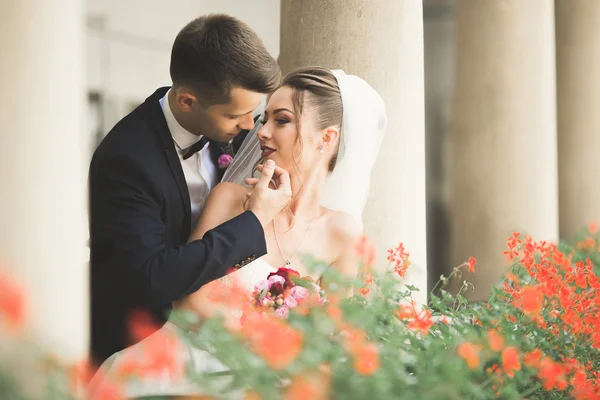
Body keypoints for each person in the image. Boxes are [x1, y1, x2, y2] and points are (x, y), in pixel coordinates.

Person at [89, 67, 387, 398]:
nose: (262, 131)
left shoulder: (343, 230)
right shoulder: (231, 198)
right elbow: (191, 302)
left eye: (282, 120)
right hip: (183, 363)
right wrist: (272, 345)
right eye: (266, 118)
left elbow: (336, 331)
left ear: (327, 138)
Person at [88, 14, 286, 366]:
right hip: (142, 346)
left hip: (221, 336)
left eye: (253, 113)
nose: (249, 127)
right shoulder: (126, 160)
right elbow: (150, 278)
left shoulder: (235, 130)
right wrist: (253, 222)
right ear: (187, 102)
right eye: (236, 116)